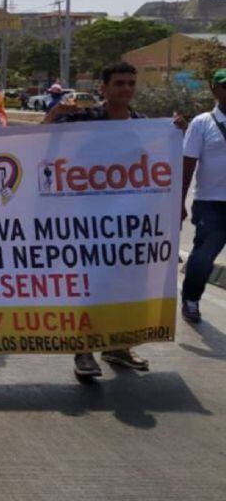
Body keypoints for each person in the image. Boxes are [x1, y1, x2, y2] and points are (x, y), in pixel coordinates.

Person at [44, 61, 183, 378]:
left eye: (131, 83)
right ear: (104, 88)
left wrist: (174, 130)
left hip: (132, 222)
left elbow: (159, 162)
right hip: (91, 221)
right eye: (119, 83)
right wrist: (54, 114)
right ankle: (84, 351)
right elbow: (45, 140)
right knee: (94, 285)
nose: (126, 89)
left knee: (128, 284)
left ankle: (117, 347)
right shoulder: (86, 118)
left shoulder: (144, 124)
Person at [179, 68, 226, 323]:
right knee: (203, 257)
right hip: (211, 202)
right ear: (215, 90)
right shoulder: (202, 123)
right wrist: (180, 202)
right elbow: (188, 165)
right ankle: (191, 298)